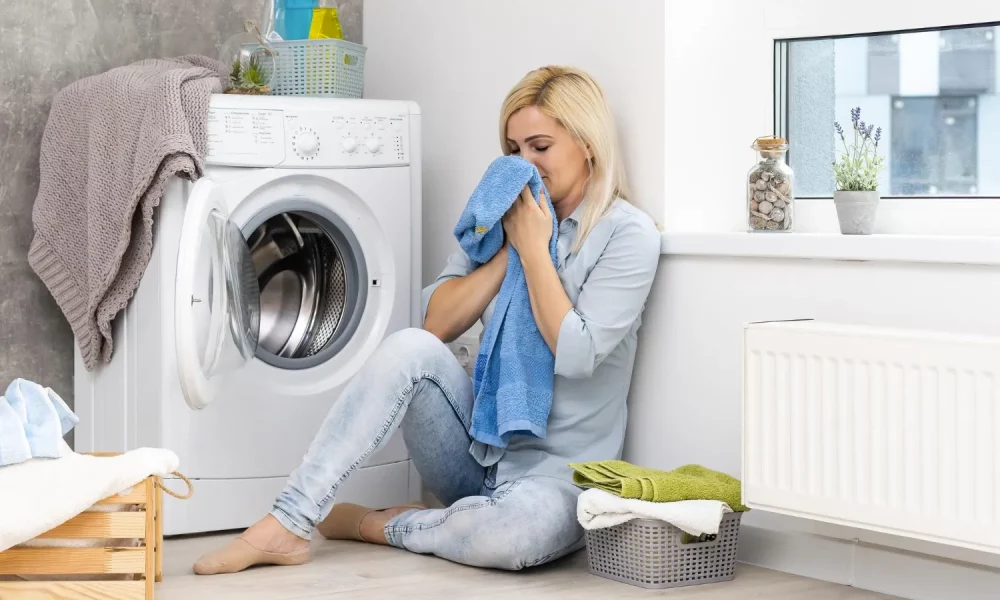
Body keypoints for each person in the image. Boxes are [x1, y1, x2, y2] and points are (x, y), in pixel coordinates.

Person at [193, 65, 661, 575]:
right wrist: (511, 252)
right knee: (408, 348)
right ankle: (289, 520)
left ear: (587, 143)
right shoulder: (501, 217)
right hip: (477, 453)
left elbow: (576, 355)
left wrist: (535, 251)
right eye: (513, 149)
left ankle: (384, 526)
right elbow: (433, 325)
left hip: (558, 482)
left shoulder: (627, 234)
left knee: (513, 534)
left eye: (540, 147)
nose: (524, 164)